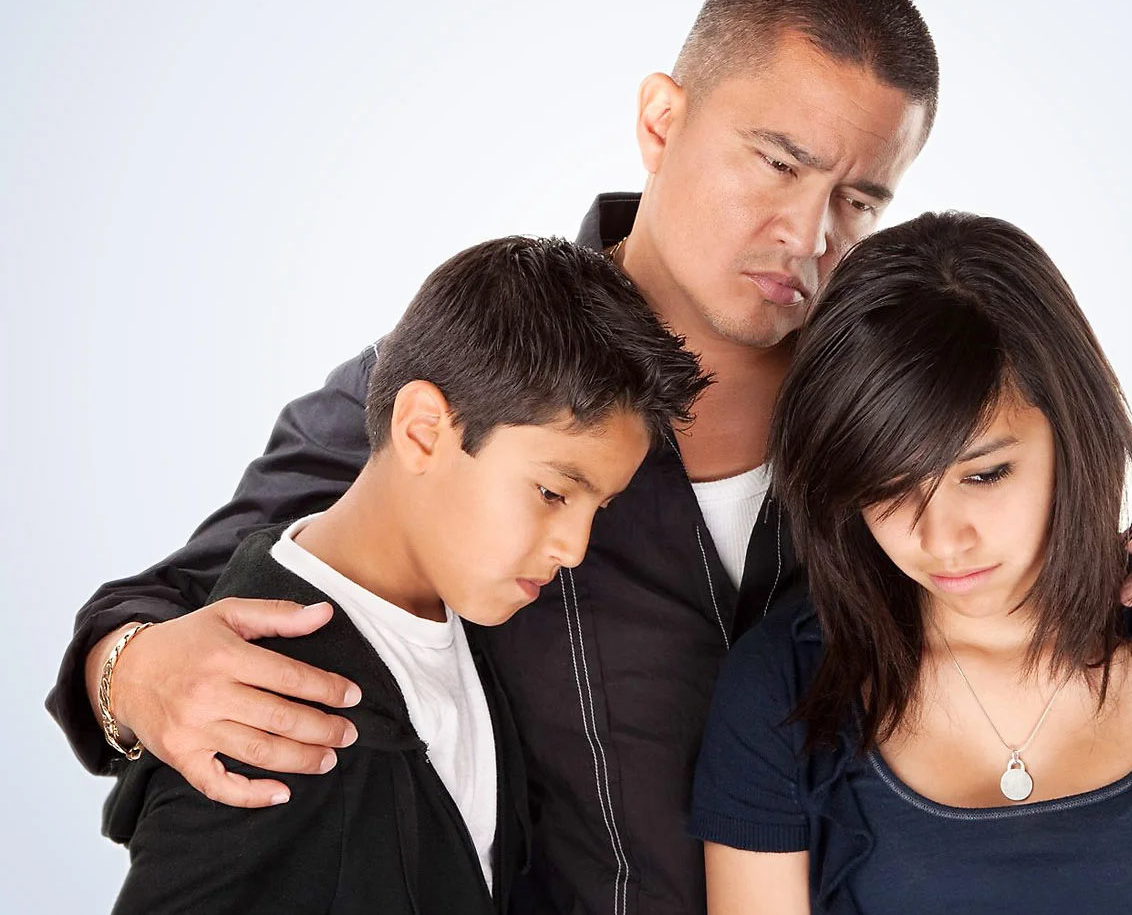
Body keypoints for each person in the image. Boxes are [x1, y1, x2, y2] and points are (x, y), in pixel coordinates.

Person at [49, 0, 1132, 913]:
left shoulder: (900, 421)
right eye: (778, 161)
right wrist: (132, 674)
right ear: (662, 118)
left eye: (860, 199)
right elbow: (179, 599)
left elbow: (1033, 562)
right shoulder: (460, 387)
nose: (811, 234)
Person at [691, 211, 1132, 915]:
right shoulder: (781, 692)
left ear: (1072, 429)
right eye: (886, 488)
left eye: (984, 474)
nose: (943, 539)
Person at [102, 236, 707, 914]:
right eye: (553, 492)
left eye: (601, 506)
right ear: (422, 430)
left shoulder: (466, 622)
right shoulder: (262, 718)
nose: (574, 548)